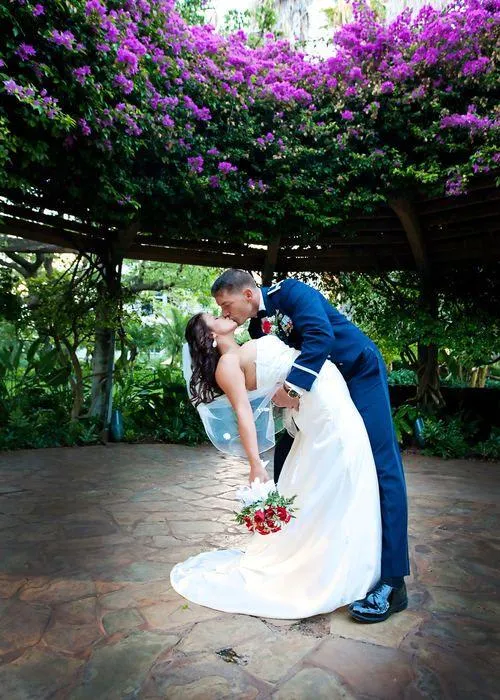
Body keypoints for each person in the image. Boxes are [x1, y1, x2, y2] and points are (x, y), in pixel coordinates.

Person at [211, 269, 409, 623]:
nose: (225, 313)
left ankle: (393, 583)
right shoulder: (257, 327)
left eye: (226, 305)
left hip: (357, 371)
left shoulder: (292, 292)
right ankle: (300, 554)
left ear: (247, 294)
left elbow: (320, 336)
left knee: (382, 466)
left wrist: (291, 391)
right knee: (288, 461)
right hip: (319, 394)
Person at [169, 311, 382, 620]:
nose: (223, 313)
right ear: (210, 336)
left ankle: (338, 561)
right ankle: (331, 569)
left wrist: (289, 394)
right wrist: (255, 464)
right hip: (320, 410)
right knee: (335, 479)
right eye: (214, 316)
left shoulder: (244, 347)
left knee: (330, 483)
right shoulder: (227, 365)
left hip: (319, 401)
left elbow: (279, 384)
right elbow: (244, 413)